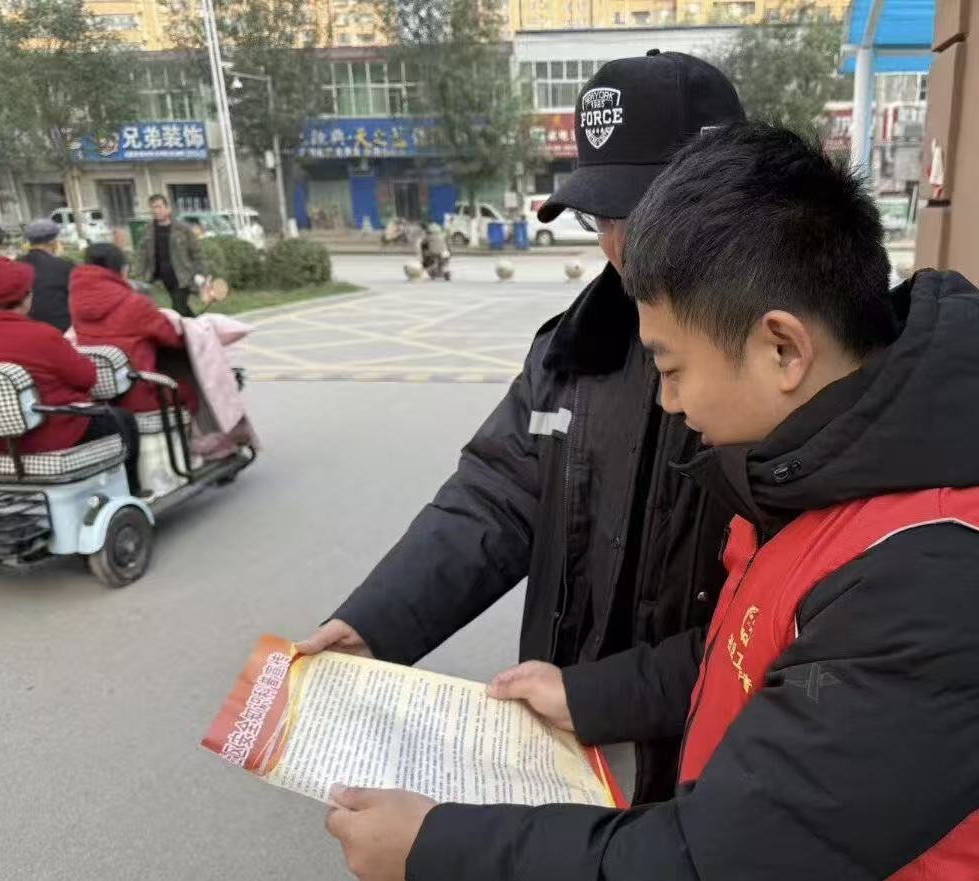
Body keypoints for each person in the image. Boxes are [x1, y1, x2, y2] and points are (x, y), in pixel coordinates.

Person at [323, 124, 979, 881]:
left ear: (782, 348)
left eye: (670, 368)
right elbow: (746, 647)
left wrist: (435, 847)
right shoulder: (810, 473)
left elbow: (715, 862)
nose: (666, 401)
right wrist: (590, 695)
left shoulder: (946, 585)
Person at [298, 50, 746, 803]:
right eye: (603, 218)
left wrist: (606, 697)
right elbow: (495, 496)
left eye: (643, 216)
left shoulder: (780, 364)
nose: (618, 248)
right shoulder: (573, 348)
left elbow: (792, 617)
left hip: (717, 763)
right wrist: (377, 625)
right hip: (568, 739)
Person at [0, 256, 140, 491]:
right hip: (55, 435)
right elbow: (87, 378)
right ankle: (132, 490)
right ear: (25, 298)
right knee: (122, 419)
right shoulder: (41, 335)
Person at [71, 243, 196, 415]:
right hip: (141, 395)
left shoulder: (76, 305)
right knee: (189, 390)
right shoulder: (135, 304)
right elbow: (173, 339)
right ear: (122, 270)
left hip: (100, 399)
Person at [134, 194, 206, 317]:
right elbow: (142, 254)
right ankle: (199, 325)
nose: (156, 211)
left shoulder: (183, 229)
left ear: (168, 208)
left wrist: (201, 274)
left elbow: (197, 253)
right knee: (184, 311)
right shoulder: (148, 230)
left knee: (177, 311)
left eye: (159, 207)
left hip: (183, 277)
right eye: (153, 208)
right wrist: (139, 275)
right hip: (162, 279)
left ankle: (190, 326)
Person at [18, 218, 74, 331]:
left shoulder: (16, 265)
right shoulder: (64, 266)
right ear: (52, 241)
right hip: (60, 329)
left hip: (25, 327)